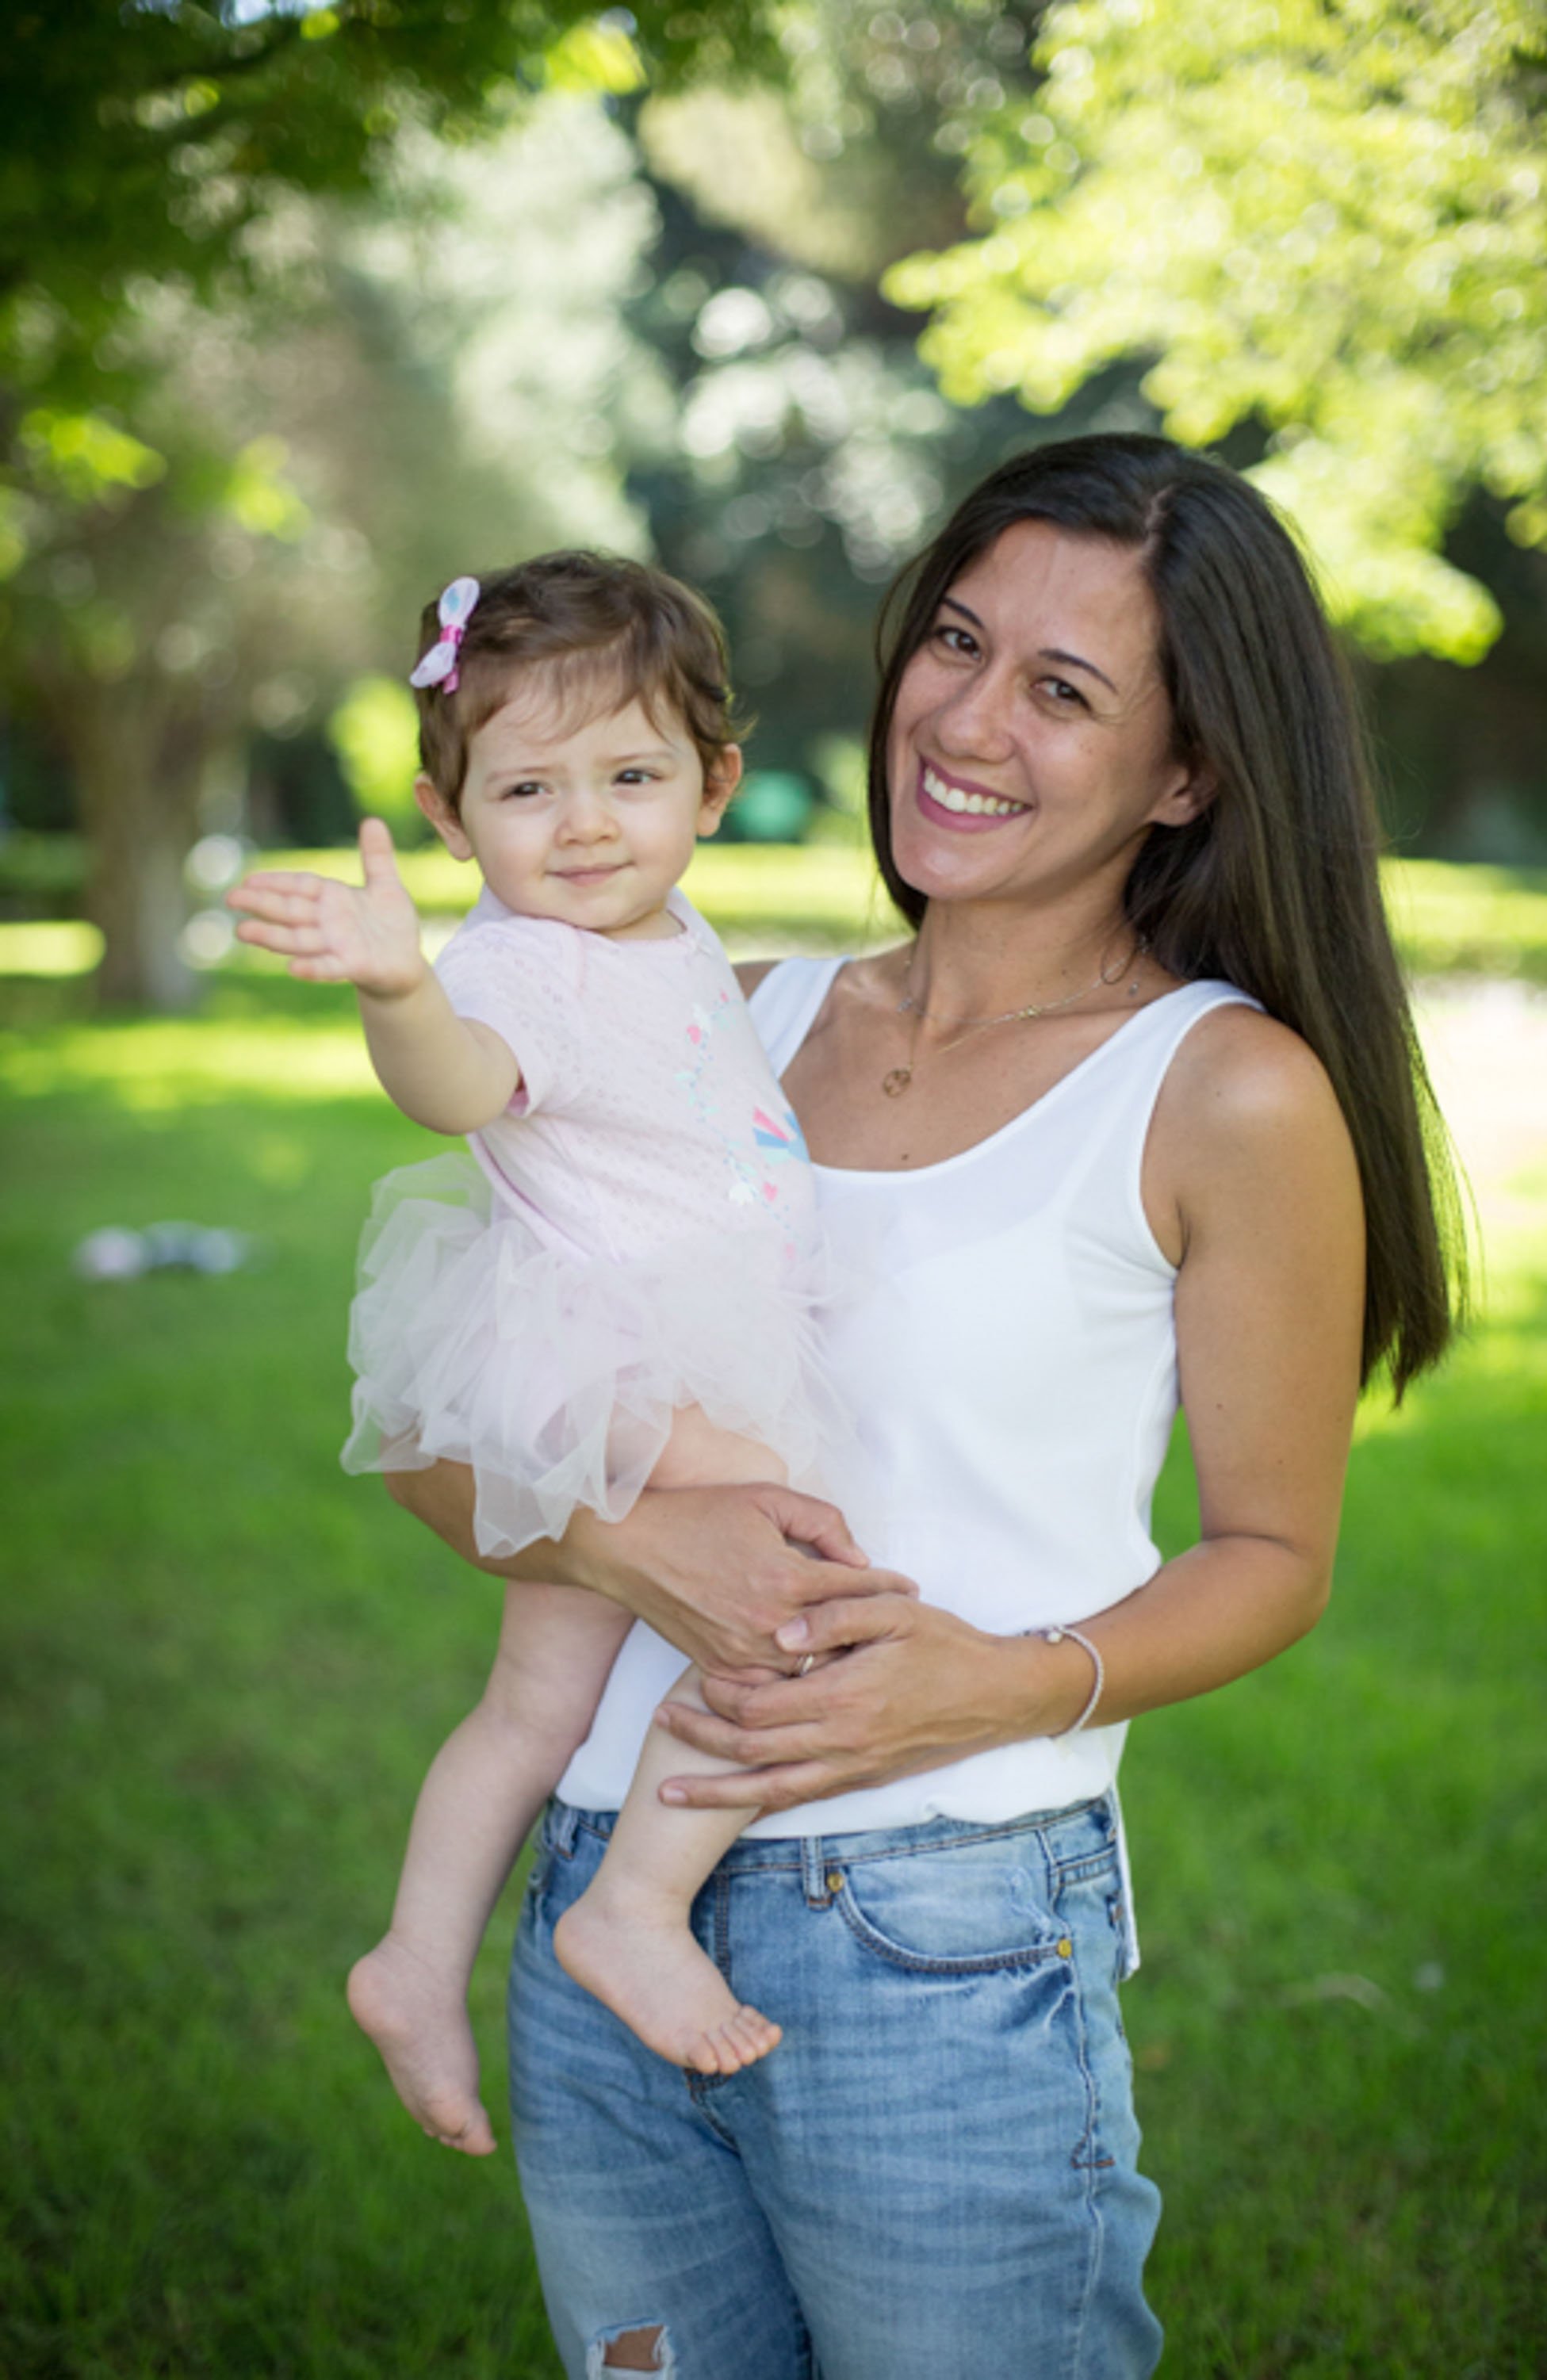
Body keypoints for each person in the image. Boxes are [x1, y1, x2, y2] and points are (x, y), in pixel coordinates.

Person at [389, 433, 1463, 2380]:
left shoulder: (1218, 1094)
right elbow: (444, 1436)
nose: (964, 721)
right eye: (954, 642)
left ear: (1190, 768)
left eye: (1063, 690)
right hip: (599, 1889)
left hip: (943, 1936)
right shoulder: (728, 1014)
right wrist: (640, 1542)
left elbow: (1273, 1558)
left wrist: (1001, 1675)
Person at [229, 553, 875, 2153]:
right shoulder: (515, 960)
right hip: (629, 1361)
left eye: (630, 776)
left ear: (713, 785)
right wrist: (398, 987)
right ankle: (637, 1904)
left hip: (603, 1356)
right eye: (527, 788)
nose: (583, 823)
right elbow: (458, 1083)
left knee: (529, 1707)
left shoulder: (665, 929)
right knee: (801, 1587)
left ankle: (412, 1958)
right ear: (454, 823)